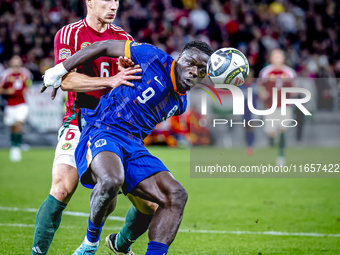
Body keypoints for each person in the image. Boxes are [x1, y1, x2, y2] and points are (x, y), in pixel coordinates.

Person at [42, 39, 213, 255]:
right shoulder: (152, 56)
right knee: (112, 179)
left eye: (201, 70)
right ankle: (90, 242)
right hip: (103, 128)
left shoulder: (181, 104)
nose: (193, 72)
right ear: (180, 58)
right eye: (190, 63)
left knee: (177, 195)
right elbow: (102, 46)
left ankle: (131, 247)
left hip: (134, 145)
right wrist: (60, 70)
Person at [32, 0, 158, 254]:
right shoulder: (71, 34)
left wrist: (130, 75)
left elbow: (132, 83)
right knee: (62, 187)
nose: (113, 6)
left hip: (114, 127)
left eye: (116, 1)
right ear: (89, 1)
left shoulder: (124, 38)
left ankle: (119, 244)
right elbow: (65, 80)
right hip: (79, 120)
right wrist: (111, 80)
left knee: (150, 205)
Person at [258, 49, 296, 166]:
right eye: (275, 56)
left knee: (282, 129)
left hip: (285, 106)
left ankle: (281, 156)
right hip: (270, 107)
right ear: (271, 58)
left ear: (283, 58)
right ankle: (275, 140)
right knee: (271, 133)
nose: (277, 59)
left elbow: (295, 88)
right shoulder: (265, 72)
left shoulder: (289, 72)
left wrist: (293, 91)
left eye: (279, 56)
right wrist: (262, 94)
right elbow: (260, 87)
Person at [0, 55, 32, 162]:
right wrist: (7, 91)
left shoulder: (25, 73)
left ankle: (17, 147)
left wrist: (27, 89)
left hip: (22, 103)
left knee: (19, 123)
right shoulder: (6, 74)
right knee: (12, 125)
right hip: (10, 104)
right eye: (14, 60)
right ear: (11, 62)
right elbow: (1, 89)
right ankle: (13, 146)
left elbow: (29, 83)